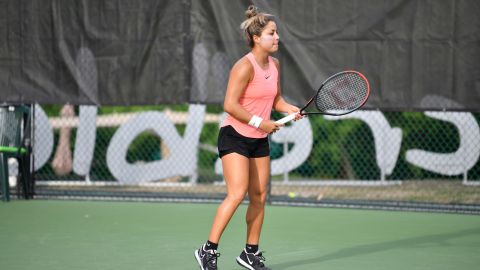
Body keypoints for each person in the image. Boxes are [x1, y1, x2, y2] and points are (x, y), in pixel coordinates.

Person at [194, 5, 301, 270]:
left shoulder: (274, 65)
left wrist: (290, 109)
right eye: (271, 33)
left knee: (259, 195)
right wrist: (260, 123)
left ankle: (249, 254)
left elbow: (275, 98)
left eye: (276, 33)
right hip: (235, 136)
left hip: (258, 139)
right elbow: (230, 104)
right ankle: (207, 250)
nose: (277, 38)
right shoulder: (243, 67)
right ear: (256, 37)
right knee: (237, 192)